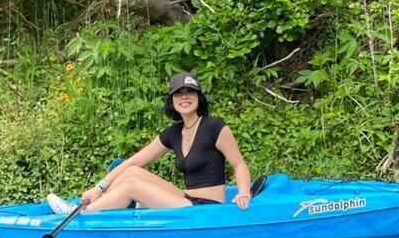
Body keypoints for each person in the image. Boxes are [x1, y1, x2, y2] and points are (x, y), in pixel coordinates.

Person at [47, 71, 252, 214]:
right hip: (184, 198)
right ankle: (98, 203)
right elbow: (131, 162)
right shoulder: (173, 133)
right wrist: (98, 187)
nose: (184, 97)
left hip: (206, 207)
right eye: (178, 94)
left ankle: (81, 213)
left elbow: (239, 164)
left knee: (133, 185)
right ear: (171, 101)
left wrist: (244, 192)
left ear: (198, 96)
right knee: (132, 172)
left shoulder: (214, 127)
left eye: (189, 92)